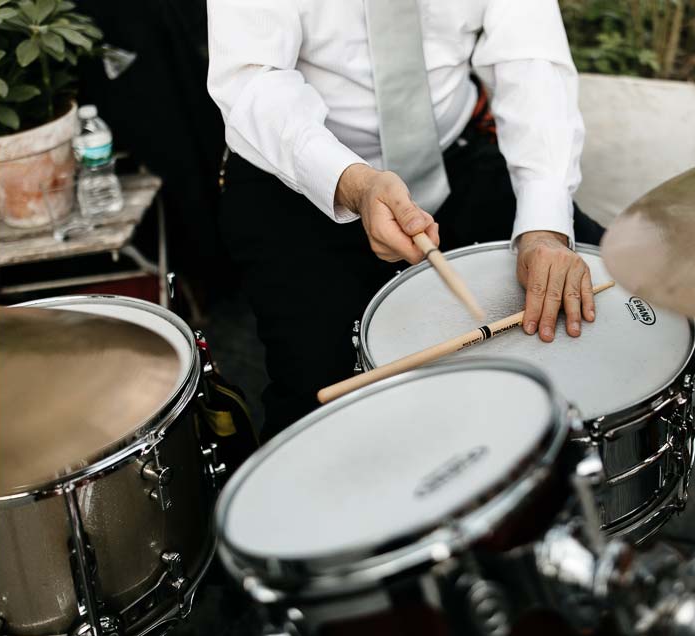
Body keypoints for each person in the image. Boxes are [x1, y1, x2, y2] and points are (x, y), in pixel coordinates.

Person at [205, 0, 607, 433]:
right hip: (300, 171)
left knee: (609, 294)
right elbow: (254, 80)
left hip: (453, 150)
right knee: (317, 406)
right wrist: (354, 184)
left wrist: (543, 228)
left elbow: (530, 57)